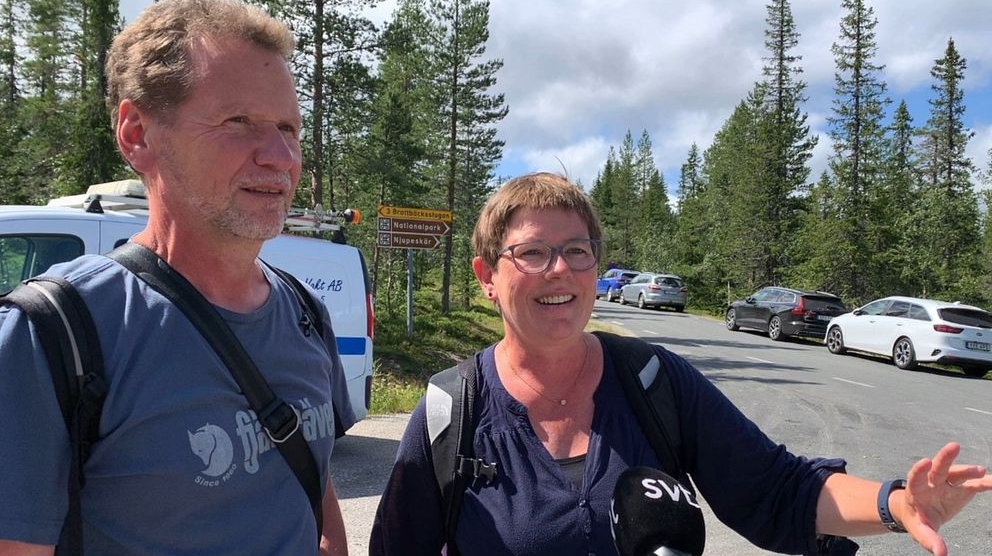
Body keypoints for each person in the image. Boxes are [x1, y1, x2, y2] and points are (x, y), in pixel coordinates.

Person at [369, 172, 992, 556]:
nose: (559, 269)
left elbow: (778, 487)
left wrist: (897, 504)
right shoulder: (452, 412)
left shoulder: (655, 381)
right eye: (532, 252)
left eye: (577, 251)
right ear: (487, 277)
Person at [0, 0, 354, 554]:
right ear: (137, 133)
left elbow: (310, 482)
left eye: (290, 127)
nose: (280, 156)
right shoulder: (52, 334)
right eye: (239, 122)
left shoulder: (305, 312)